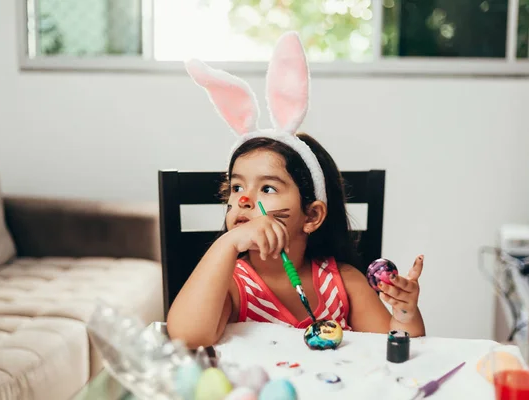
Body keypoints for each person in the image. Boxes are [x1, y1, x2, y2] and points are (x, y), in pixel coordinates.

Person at [167, 31, 426, 348]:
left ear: (312, 215)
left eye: (268, 188)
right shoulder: (233, 285)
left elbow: (398, 350)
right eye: (236, 186)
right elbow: (187, 336)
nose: (244, 199)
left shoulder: (343, 283)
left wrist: (403, 312)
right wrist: (227, 244)